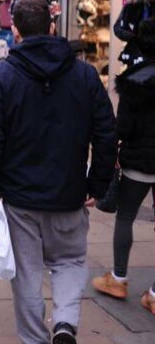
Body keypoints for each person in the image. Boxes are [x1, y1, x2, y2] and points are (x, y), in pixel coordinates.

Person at [0, 0, 117, 344]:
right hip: (69, 191)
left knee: (27, 273)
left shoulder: (0, 76)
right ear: (52, 28)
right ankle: (65, 322)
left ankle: (35, 337)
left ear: (16, 31)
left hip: (20, 196)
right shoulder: (83, 73)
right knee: (69, 260)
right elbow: (106, 131)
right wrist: (97, 183)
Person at [91, 17, 155, 313]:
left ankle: (118, 278)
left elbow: (125, 128)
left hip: (139, 162)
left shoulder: (133, 80)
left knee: (126, 216)